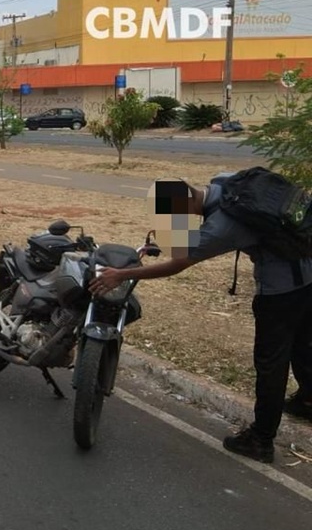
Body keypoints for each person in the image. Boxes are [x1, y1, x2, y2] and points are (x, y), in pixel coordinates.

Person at [90, 176, 312, 463]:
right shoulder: (229, 182)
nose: (176, 224)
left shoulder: (224, 224)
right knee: (303, 343)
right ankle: (308, 400)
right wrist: (168, 236)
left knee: (271, 363)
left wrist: (121, 275)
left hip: (281, 291)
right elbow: (185, 241)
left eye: (175, 218)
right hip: (308, 271)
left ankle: (261, 439)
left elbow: (177, 264)